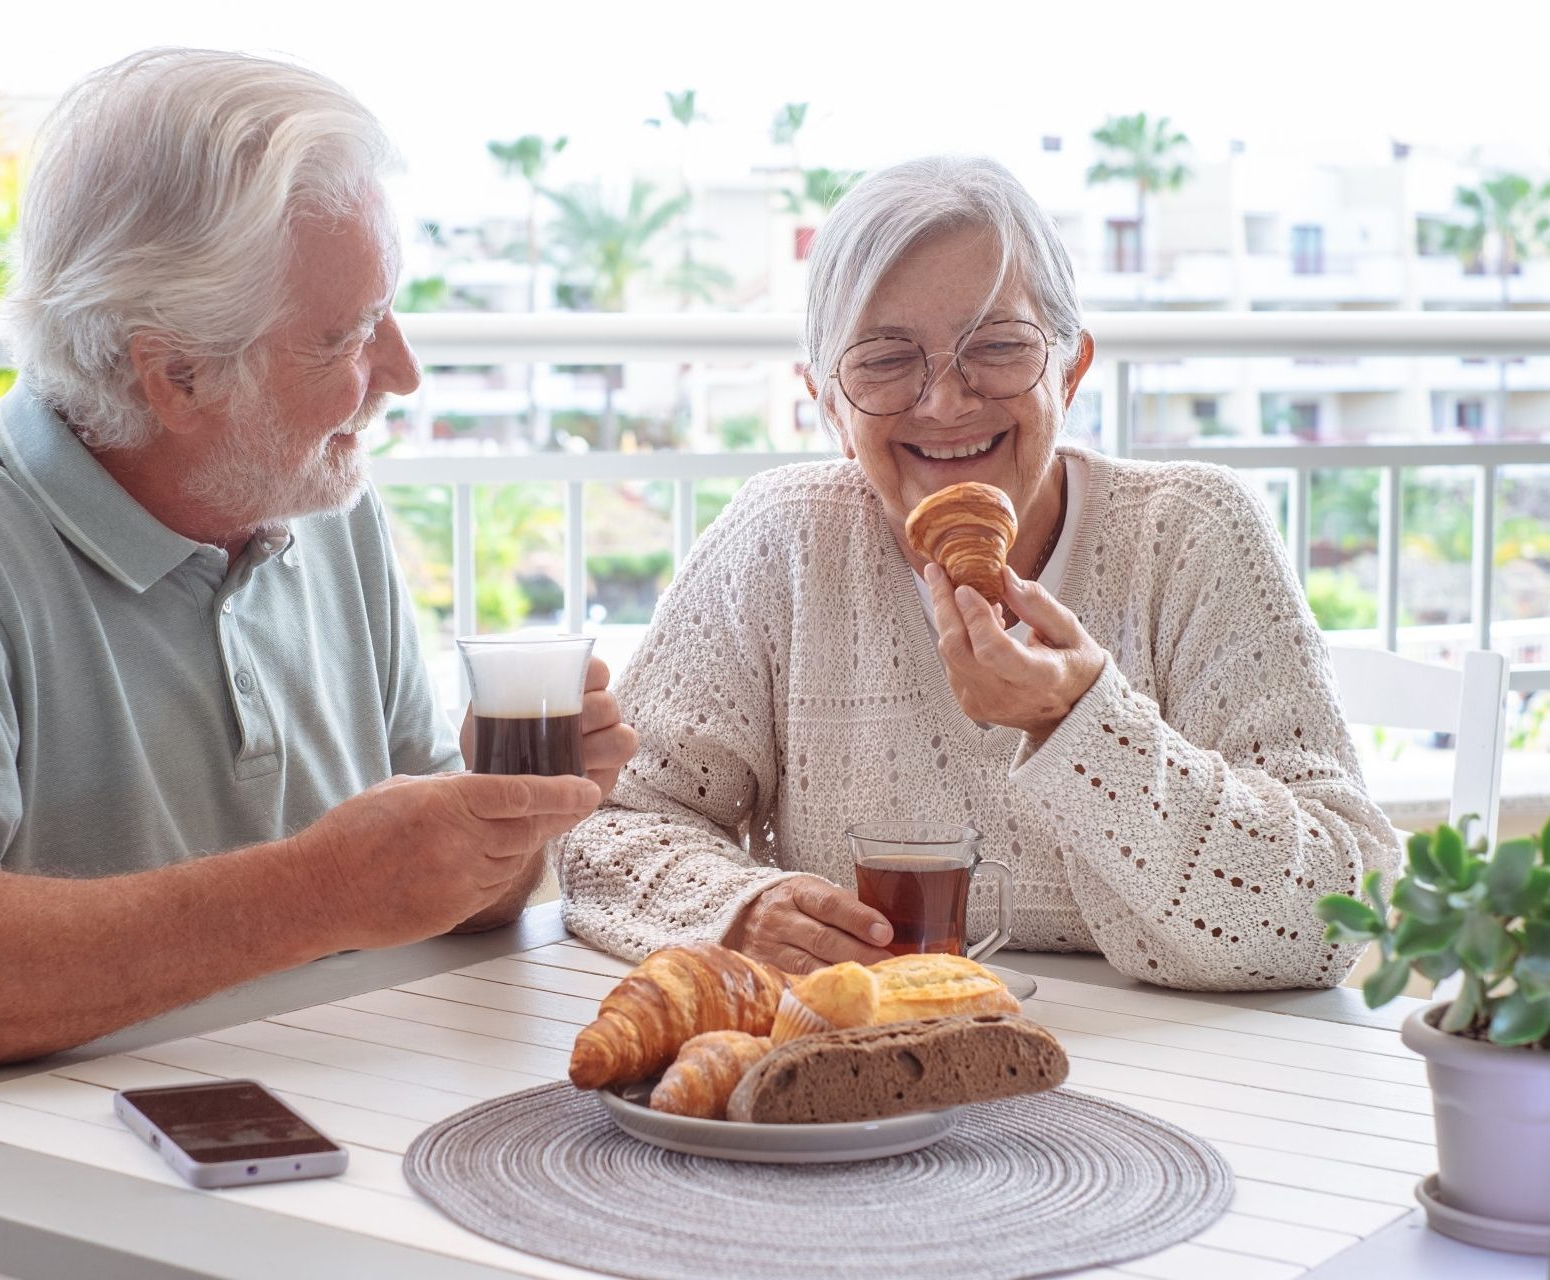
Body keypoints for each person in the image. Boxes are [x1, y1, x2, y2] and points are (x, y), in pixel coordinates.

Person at [0, 49, 636, 1082]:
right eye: (349, 334)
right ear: (175, 373)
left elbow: (429, 902)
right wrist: (317, 891)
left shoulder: (319, 497)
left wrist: (496, 825)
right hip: (42, 1147)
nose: (403, 372)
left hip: (330, 1098)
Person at [562, 155, 1397, 990]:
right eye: (885, 360)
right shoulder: (782, 541)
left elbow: (1341, 907)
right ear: (829, 404)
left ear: (1071, 369)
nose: (945, 402)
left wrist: (1079, 722)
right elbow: (610, 824)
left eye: (996, 346)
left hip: (1177, 1056)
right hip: (868, 1045)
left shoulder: (1189, 536)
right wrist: (744, 912)